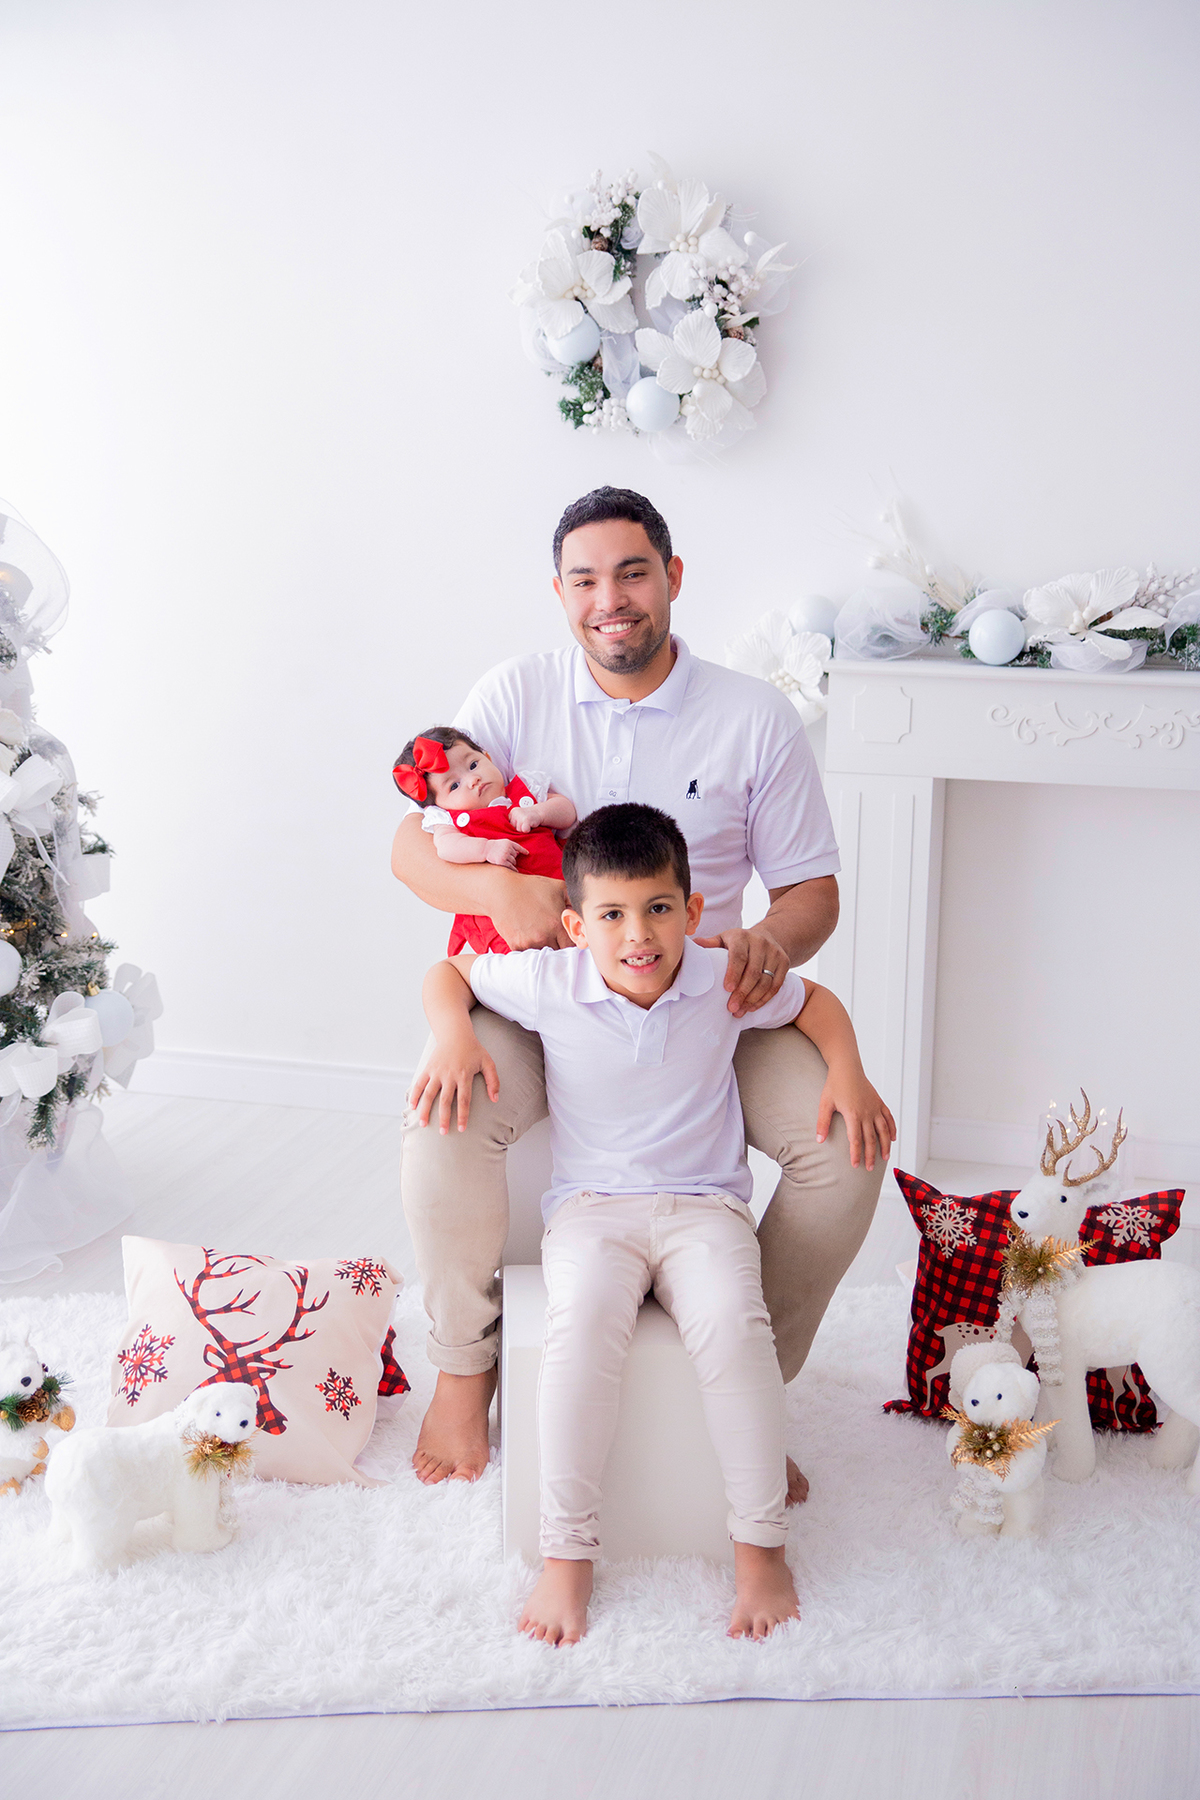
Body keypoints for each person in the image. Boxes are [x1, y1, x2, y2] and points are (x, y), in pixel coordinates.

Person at [392, 485, 888, 1489]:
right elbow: (410, 846)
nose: (609, 600)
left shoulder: (752, 716)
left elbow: (812, 893)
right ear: (559, 592)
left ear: (672, 577)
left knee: (846, 1150)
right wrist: (501, 890)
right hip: (544, 1003)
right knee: (443, 1114)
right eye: (585, 580)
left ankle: (752, 1377)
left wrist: (769, 944)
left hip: (707, 1000)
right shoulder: (515, 693)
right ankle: (460, 1370)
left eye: (631, 573)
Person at [410, 805, 894, 1644]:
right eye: (612, 915)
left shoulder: (719, 977)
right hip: (592, 1215)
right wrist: (451, 1032)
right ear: (575, 925)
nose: (639, 935)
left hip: (706, 1210)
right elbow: (448, 973)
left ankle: (760, 1550)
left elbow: (817, 1003)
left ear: (694, 911)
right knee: (578, 1337)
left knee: (738, 1336)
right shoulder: (553, 980)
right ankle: (566, 1560)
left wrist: (847, 1072)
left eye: (659, 909)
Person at [392, 726, 577, 953]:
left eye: (473, 765)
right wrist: (485, 849)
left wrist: (538, 813)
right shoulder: (451, 821)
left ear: (487, 757)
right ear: (439, 805)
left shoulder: (524, 792)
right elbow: (446, 848)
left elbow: (567, 812)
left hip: (563, 888)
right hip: (506, 920)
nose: (473, 779)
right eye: (454, 785)